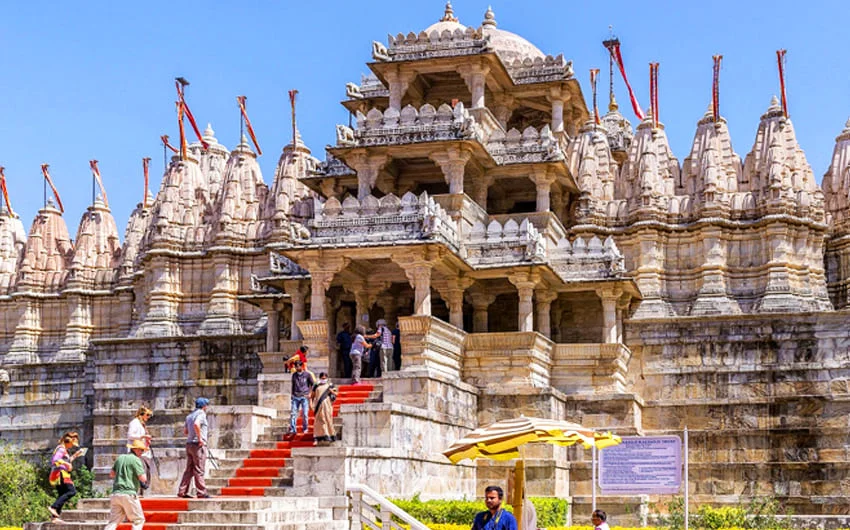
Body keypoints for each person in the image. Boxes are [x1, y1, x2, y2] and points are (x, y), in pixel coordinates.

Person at [103, 439, 148, 530]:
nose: (142, 452)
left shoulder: (120, 458)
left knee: (114, 521)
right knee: (138, 520)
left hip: (116, 493)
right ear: (135, 449)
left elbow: (112, 474)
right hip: (129, 493)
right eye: (141, 450)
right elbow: (143, 478)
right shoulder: (136, 460)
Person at [177, 397, 211, 499]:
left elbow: (185, 431)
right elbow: (197, 424)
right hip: (197, 444)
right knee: (199, 469)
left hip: (189, 444)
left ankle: (182, 491)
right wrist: (200, 438)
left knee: (189, 469)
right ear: (204, 406)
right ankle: (201, 492)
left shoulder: (189, 416)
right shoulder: (201, 414)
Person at [47, 433, 83, 523]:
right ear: (68, 442)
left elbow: (66, 460)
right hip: (61, 474)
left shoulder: (64, 450)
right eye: (72, 444)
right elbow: (55, 460)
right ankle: (53, 507)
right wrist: (67, 464)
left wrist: (75, 455)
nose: (72, 446)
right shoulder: (61, 449)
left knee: (62, 494)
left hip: (59, 474)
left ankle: (54, 517)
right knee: (71, 491)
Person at [127, 406, 153, 495]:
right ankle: (138, 490)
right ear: (142, 414)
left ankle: (142, 490)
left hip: (142, 450)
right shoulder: (134, 423)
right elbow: (130, 435)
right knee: (140, 470)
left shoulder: (141, 424)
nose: (148, 417)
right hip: (136, 450)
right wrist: (143, 437)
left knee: (145, 469)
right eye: (147, 415)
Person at [288, 361, 315, 435]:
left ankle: (305, 428)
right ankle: (293, 429)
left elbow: (313, 385)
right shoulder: (294, 375)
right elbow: (293, 385)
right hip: (295, 396)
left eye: (298, 366)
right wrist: (292, 395)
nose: (297, 368)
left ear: (302, 366)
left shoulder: (307, 375)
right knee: (293, 413)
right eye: (296, 366)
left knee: (305, 414)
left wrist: (310, 394)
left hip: (304, 396)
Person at [310, 372, 338, 442]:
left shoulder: (330, 385)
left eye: (325, 378)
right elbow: (312, 396)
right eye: (322, 378)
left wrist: (331, 391)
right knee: (319, 420)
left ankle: (329, 434)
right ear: (320, 378)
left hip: (327, 405)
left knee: (328, 419)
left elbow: (336, 393)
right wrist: (310, 404)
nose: (324, 379)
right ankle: (319, 435)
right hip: (318, 405)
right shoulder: (316, 386)